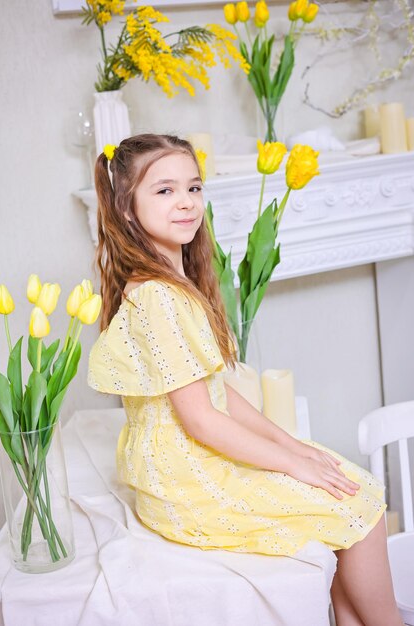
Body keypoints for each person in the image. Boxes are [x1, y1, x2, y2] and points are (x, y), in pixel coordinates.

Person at [88, 133, 403, 626]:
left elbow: (218, 394)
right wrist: (293, 464)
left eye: (193, 188)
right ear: (127, 208)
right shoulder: (158, 297)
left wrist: (296, 448)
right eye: (165, 191)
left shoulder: (175, 284)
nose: (187, 203)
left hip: (185, 462)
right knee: (359, 510)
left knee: (349, 483)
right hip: (186, 480)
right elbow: (201, 422)